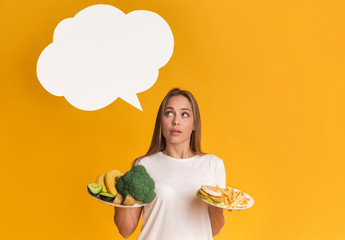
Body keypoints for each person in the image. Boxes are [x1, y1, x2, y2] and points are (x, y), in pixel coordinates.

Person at [114, 88, 229, 240]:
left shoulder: (213, 165)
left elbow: (213, 229)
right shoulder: (144, 165)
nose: (176, 121)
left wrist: (217, 206)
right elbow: (125, 230)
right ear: (161, 121)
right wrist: (117, 197)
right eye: (169, 113)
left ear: (195, 124)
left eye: (185, 114)